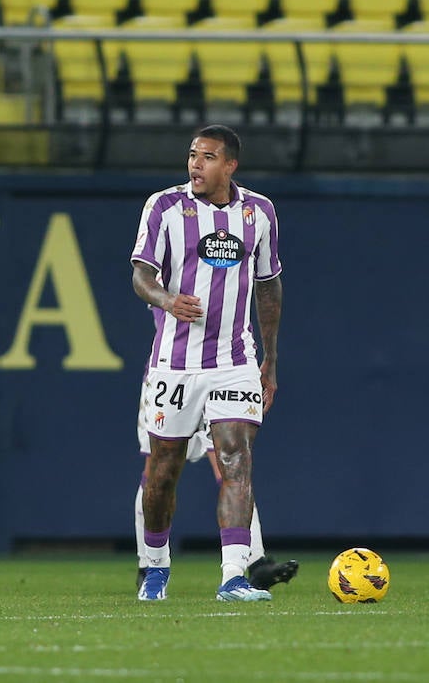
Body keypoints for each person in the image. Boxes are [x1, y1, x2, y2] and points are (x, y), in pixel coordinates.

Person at [131, 124, 283, 602]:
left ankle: (233, 576)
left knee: (236, 457)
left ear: (230, 164)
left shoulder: (260, 213)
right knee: (164, 468)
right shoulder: (164, 207)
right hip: (174, 364)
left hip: (235, 360)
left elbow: (268, 284)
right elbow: (141, 275)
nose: (196, 164)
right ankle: (155, 565)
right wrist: (167, 299)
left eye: (208, 157)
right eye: (192, 155)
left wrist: (270, 360)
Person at [133, 414, 298, 592]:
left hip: (213, 391)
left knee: (230, 468)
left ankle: (256, 562)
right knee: (158, 471)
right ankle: (147, 566)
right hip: (171, 389)